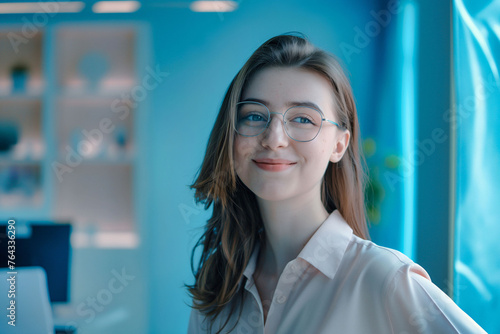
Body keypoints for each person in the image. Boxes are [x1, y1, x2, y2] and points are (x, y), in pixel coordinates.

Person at [186, 33, 485, 334]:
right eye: (254, 115)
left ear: (339, 146)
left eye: (303, 119)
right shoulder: (217, 290)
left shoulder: (384, 279)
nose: (274, 139)